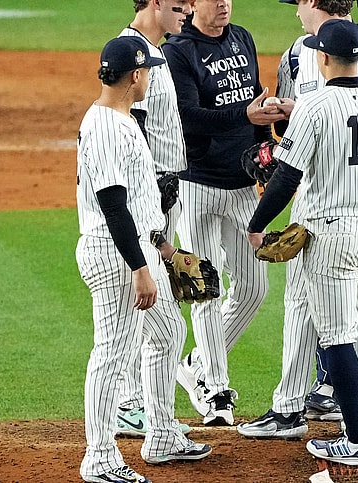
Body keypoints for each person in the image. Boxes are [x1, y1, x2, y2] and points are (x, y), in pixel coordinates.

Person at [246, 19, 358, 466]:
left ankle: (355, 440)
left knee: (338, 333)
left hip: (332, 232)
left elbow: (287, 176)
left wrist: (257, 223)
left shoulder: (314, 105)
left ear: (323, 58)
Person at [75, 35, 211, 483]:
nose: (151, 76)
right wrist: (139, 269)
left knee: (169, 331)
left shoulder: (121, 118)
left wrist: (166, 250)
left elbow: (136, 202)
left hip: (138, 247)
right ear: (135, 75)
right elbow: (114, 205)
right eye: (148, 70)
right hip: (116, 253)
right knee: (111, 353)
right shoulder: (108, 127)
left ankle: (162, 434)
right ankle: (99, 455)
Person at [161, 0, 287, 426]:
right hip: (197, 183)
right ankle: (214, 389)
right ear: (192, 3)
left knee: (254, 287)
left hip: (239, 185)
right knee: (204, 286)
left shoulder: (242, 38)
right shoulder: (177, 50)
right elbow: (188, 117)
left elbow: (255, 106)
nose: (224, 4)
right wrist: (244, 113)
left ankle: (195, 362)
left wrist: (264, 149)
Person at [114, 0, 194, 441]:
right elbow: (134, 127)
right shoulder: (132, 52)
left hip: (165, 190)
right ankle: (128, 403)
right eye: (179, 5)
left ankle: (136, 402)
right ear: (156, 3)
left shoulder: (156, 51)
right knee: (140, 301)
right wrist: (151, 187)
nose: (185, 12)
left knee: (149, 306)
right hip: (150, 196)